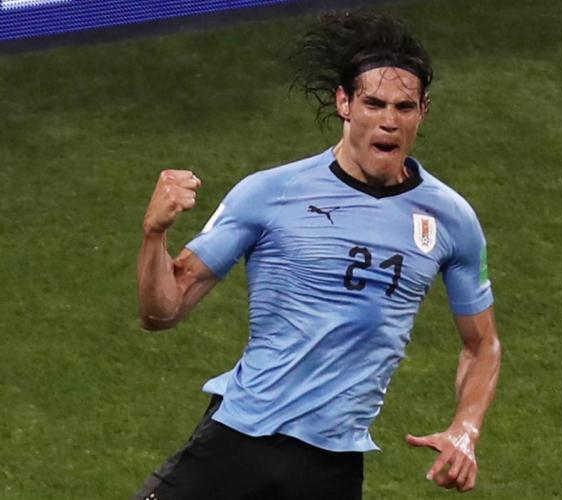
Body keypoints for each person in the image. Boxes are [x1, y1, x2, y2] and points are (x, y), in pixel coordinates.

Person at [134, 10, 501, 500]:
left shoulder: (451, 219)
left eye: (404, 107)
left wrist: (466, 429)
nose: (389, 121)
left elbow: (482, 344)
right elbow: (162, 312)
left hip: (332, 466)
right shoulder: (270, 192)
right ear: (344, 102)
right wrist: (154, 234)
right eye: (374, 103)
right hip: (237, 443)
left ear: (423, 111)